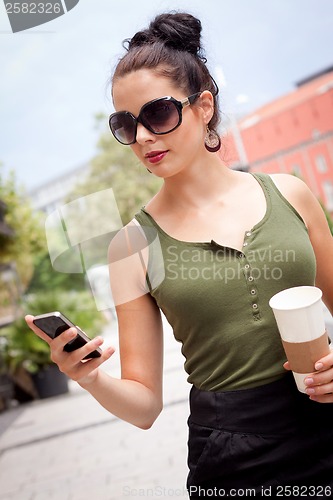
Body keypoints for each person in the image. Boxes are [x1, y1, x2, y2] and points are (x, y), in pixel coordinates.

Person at [26, 12, 333, 498]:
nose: (143, 136)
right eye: (126, 124)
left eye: (159, 114)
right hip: (234, 456)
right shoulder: (131, 246)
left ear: (203, 106)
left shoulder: (291, 194)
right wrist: (87, 377)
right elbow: (145, 407)